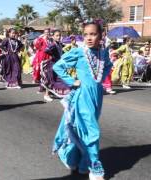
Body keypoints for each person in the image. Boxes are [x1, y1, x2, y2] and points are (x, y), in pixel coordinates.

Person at [52, 19, 112, 180]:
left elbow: (108, 65)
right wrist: (72, 81)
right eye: (86, 35)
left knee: (83, 130)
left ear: (101, 35)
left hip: (96, 96)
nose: (89, 38)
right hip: (82, 97)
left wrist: (100, 79)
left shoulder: (103, 52)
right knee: (92, 132)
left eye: (93, 34)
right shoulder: (79, 52)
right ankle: (94, 167)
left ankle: (77, 161)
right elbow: (58, 66)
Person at [40, 29, 70, 102]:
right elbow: (46, 50)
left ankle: (60, 93)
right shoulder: (53, 44)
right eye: (57, 36)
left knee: (60, 79)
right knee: (50, 80)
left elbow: (62, 51)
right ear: (53, 36)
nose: (59, 37)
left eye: (60, 35)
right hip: (52, 65)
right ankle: (46, 95)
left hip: (59, 65)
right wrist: (52, 54)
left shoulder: (59, 44)